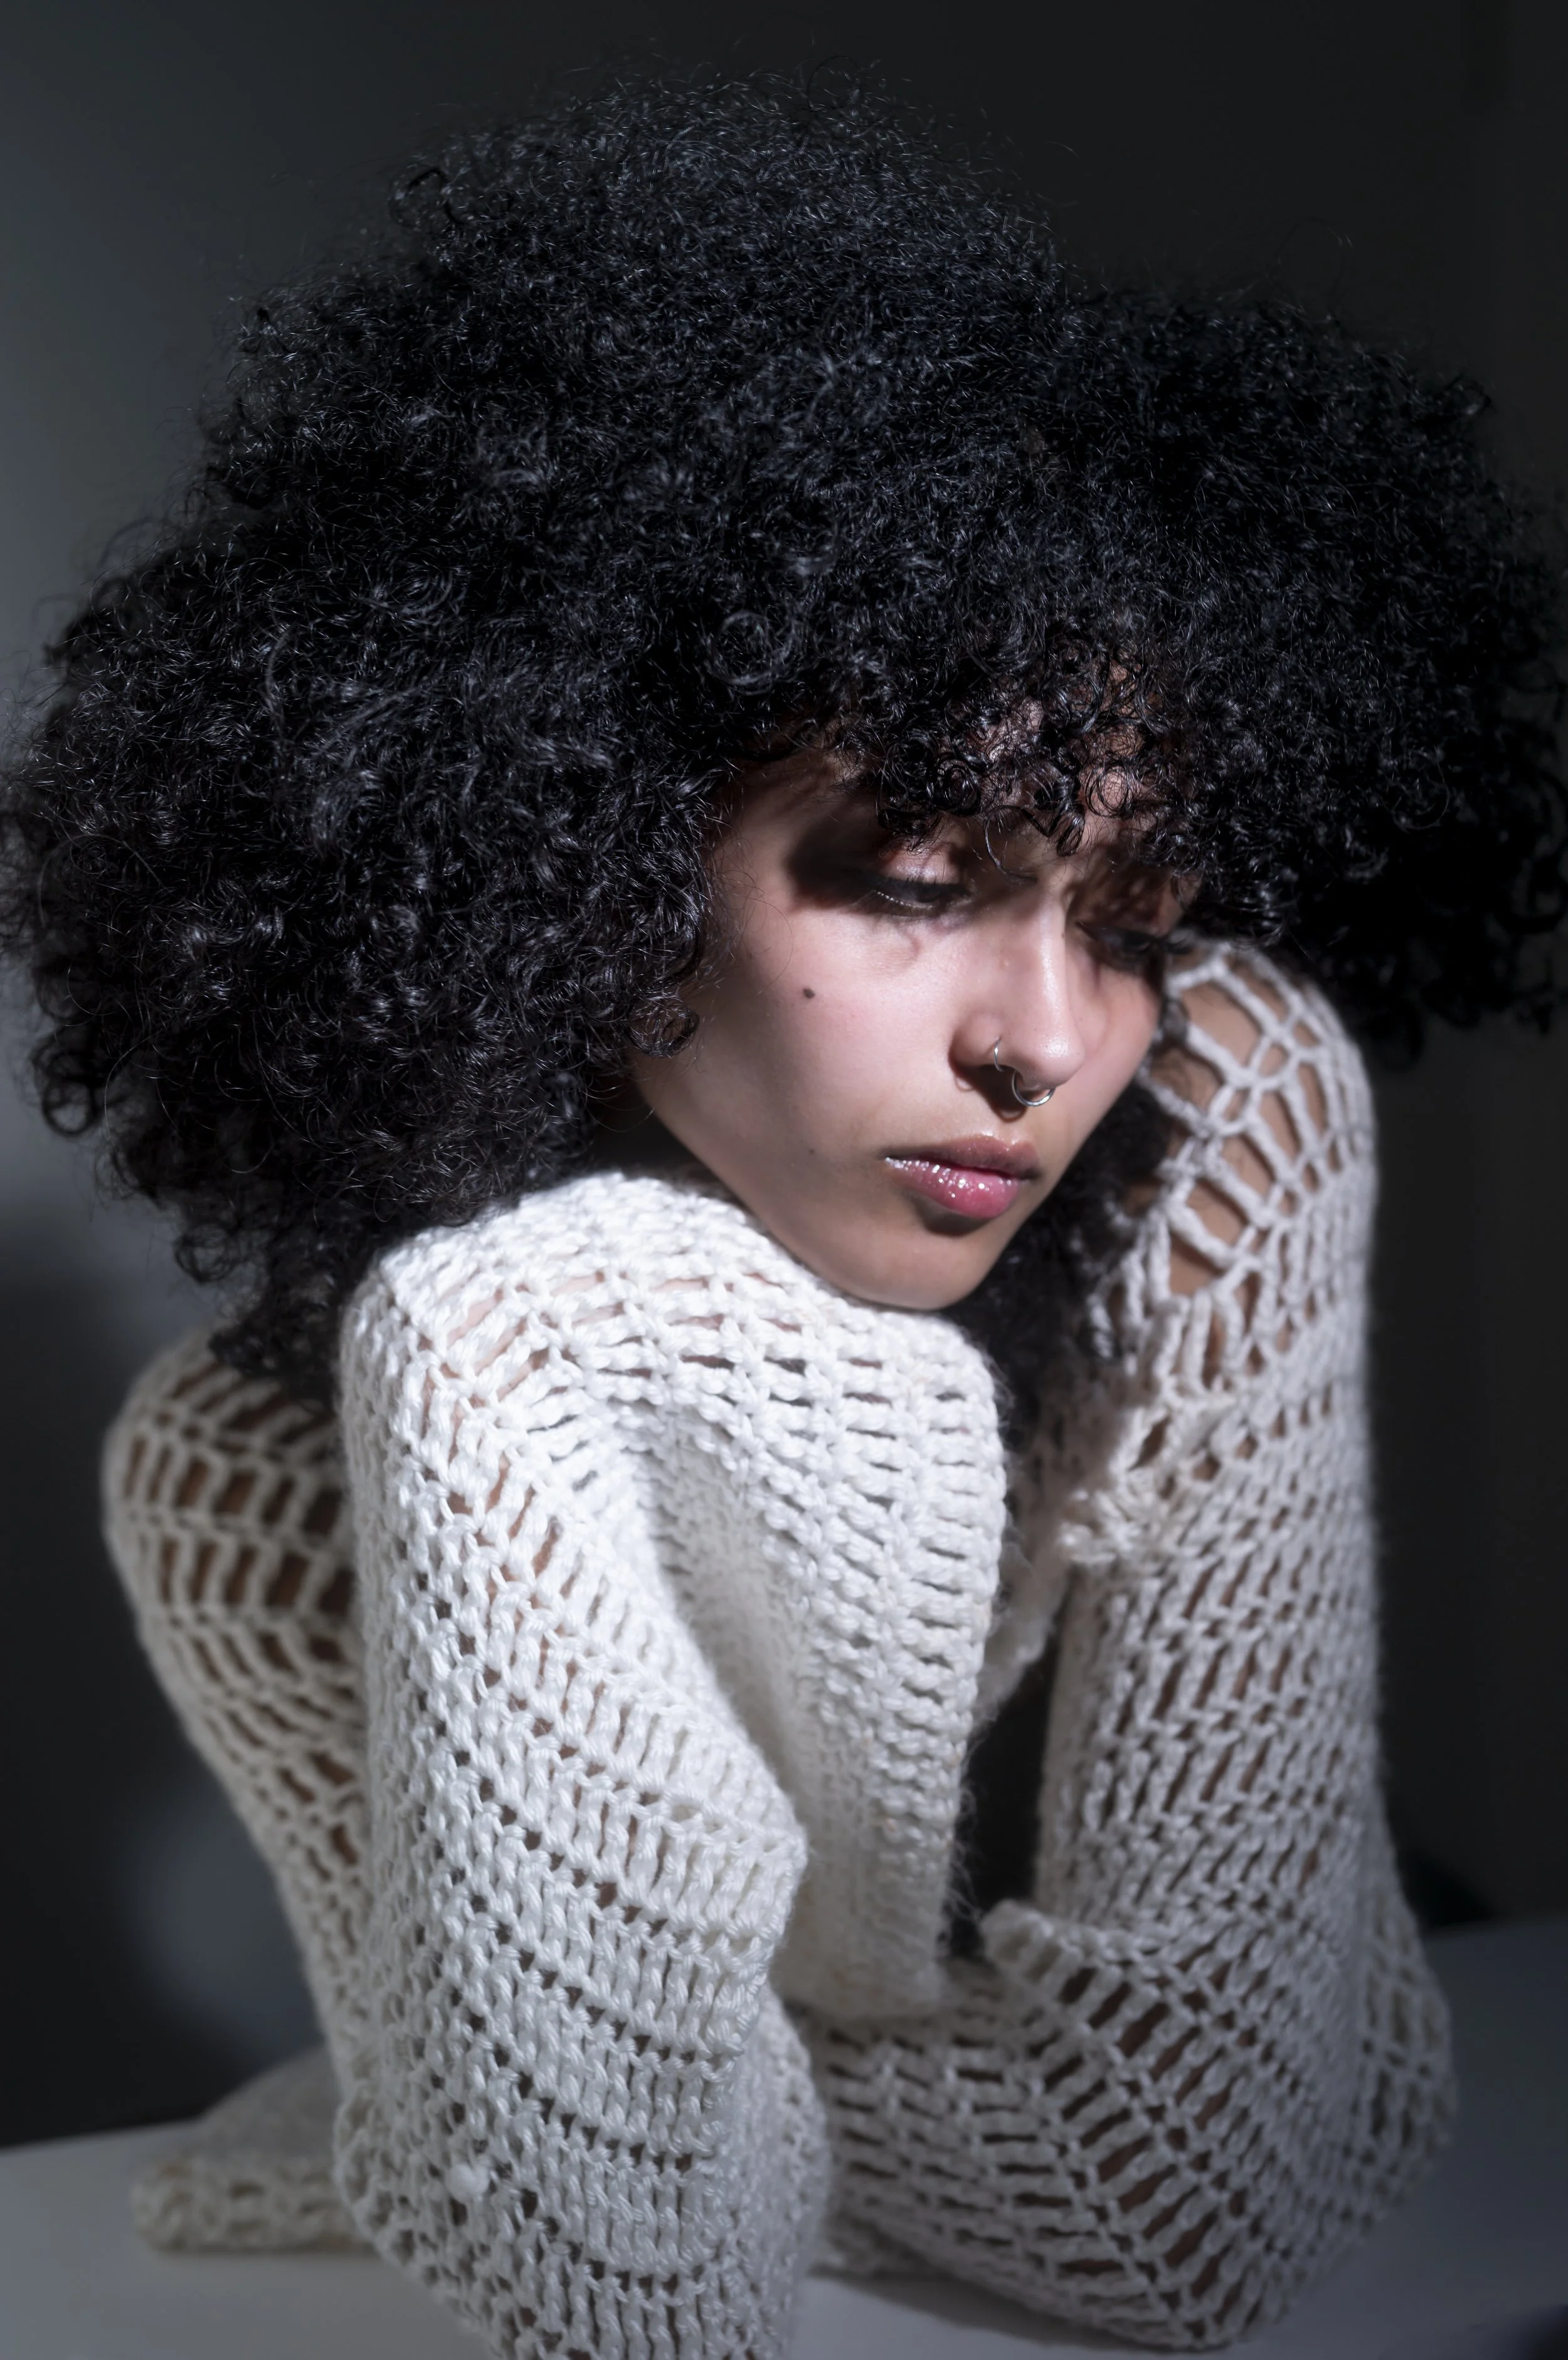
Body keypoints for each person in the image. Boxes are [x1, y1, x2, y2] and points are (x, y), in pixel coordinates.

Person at [1, 70, 1562, 2359]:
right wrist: (519, 1336)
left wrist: (491, 2102)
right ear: (582, 855)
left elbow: (1189, 2204)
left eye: (1136, 911)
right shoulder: (261, 1477)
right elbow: (631, 2270)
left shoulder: (1216, 1114)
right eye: (917, 883)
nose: (1045, 1031)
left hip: (1377, 2033)